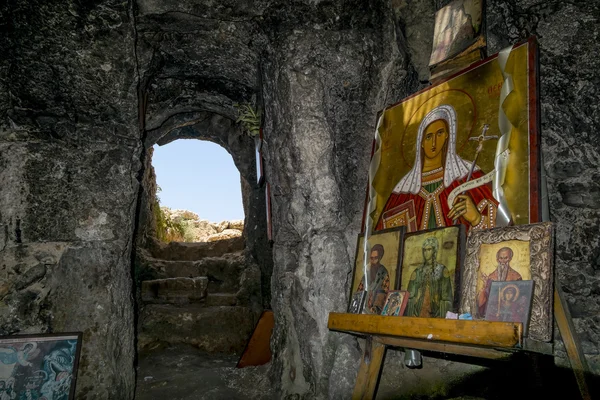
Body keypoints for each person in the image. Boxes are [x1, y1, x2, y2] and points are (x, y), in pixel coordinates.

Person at [376, 104, 498, 232]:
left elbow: (504, 225)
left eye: (439, 133)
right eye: (428, 136)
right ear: (421, 142)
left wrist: (476, 219)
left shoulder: (468, 175)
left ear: (447, 135)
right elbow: (382, 240)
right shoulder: (403, 190)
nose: (434, 143)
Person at [405, 237, 454, 318]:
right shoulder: (417, 272)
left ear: (434, 251)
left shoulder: (442, 270)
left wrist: (440, 314)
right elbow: (409, 296)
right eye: (424, 250)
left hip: (435, 315)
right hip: (417, 315)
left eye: (429, 249)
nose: (426, 253)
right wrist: (413, 311)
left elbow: (447, 298)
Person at [477, 247, 523, 317]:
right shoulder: (491, 277)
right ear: (497, 259)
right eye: (501, 258)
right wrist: (485, 285)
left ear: (510, 258)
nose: (503, 261)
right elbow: (487, 295)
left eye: (506, 258)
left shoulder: (516, 276)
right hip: (494, 311)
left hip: (510, 311)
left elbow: (520, 296)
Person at [356, 244, 390, 315]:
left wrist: (374, 309)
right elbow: (359, 292)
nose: (373, 260)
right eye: (371, 258)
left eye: (376, 258)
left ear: (379, 257)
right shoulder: (366, 273)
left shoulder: (383, 273)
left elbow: (384, 293)